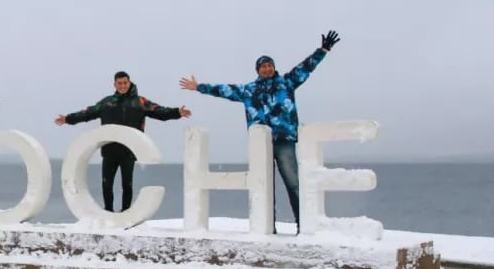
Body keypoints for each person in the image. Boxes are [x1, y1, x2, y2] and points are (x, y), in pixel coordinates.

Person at [179, 29, 341, 233]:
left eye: (269, 65)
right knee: (263, 187)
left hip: (284, 140)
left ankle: (304, 225)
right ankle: (267, 228)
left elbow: (305, 68)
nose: (267, 69)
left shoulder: (287, 83)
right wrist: (199, 87)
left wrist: (323, 50)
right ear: (257, 70)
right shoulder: (249, 91)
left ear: (274, 67)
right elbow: (224, 90)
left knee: (294, 183)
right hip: (261, 145)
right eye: (263, 66)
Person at [55, 71, 192, 212]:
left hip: (129, 152)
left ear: (129, 82)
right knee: (106, 185)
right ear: (115, 84)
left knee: (127, 185)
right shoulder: (106, 103)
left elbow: (159, 111)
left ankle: (125, 213)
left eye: (125, 83)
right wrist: (68, 119)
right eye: (119, 83)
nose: (122, 86)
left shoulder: (140, 102)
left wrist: (177, 113)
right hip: (109, 151)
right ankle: (108, 212)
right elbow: (87, 113)